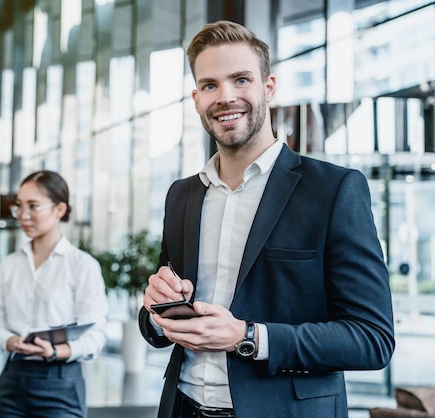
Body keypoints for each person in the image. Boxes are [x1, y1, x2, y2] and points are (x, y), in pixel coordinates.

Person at [138, 20, 395, 418]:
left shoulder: (333, 189)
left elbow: (372, 338)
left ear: (268, 87)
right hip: (182, 407)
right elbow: (160, 320)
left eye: (241, 80)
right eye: (210, 85)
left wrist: (247, 337)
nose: (225, 97)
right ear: (195, 98)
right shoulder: (182, 195)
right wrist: (157, 311)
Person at [0, 170, 108, 418]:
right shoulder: (9, 265)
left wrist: (54, 351)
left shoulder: (82, 265)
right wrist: (11, 341)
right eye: (19, 206)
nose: (23, 215)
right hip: (13, 379)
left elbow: (96, 335)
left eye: (34, 206)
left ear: (59, 210)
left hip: (61, 381)